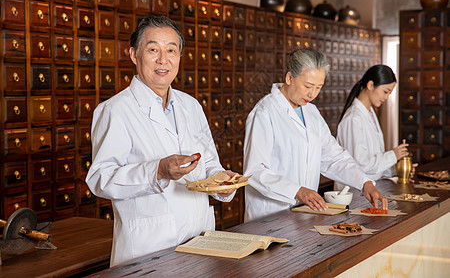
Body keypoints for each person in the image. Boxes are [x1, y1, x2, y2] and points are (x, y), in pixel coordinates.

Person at [86, 15, 236, 267]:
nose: (162, 60)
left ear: (179, 56)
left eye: (171, 50)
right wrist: (157, 170)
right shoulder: (115, 110)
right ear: (134, 55)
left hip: (200, 237)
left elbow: (209, 162)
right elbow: (100, 179)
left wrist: (222, 181)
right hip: (148, 246)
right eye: (153, 49)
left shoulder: (191, 106)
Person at [243, 48, 388, 222]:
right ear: (289, 78)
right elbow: (255, 171)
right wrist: (298, 191)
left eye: (318, 87)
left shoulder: (311, 112)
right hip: (269, 216)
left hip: (303, 213)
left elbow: (333, 157)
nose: (312, 94)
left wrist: (365, 183)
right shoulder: (264, 113)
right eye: (308, 86)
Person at [336, 65, 416, 190]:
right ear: (370, 85)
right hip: (354, 192)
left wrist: (398, 169)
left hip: (370, 189)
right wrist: (393, 155)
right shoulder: (353, 119)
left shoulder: (370, 113)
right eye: (385, 91)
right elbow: (361, 165)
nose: (386, 97)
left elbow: (374, 166)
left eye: (389, 93)